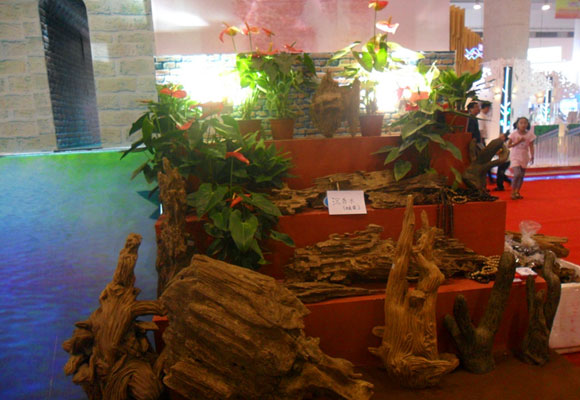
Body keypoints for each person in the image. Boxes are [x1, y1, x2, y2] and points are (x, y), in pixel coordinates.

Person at [507, 117, 535, 200]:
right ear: (517, 124)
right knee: (517, 174)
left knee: (521, 175)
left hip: (524, 155)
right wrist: (518, 142)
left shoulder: (530, 135)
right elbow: (508, 145)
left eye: (525, 123)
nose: (523, 125)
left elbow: (531, 146)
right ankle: (513, 191)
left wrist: (532, 155)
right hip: (515, 155)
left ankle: (517, 192)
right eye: (521, 123)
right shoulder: (513, 134)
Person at [478, 101, 494, 183]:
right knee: (486, 160)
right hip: (481, 141)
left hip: (482, 140)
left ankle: (489, 178)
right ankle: (488, 178)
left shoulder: (483, 117)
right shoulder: (480, 117)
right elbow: (480, 130)